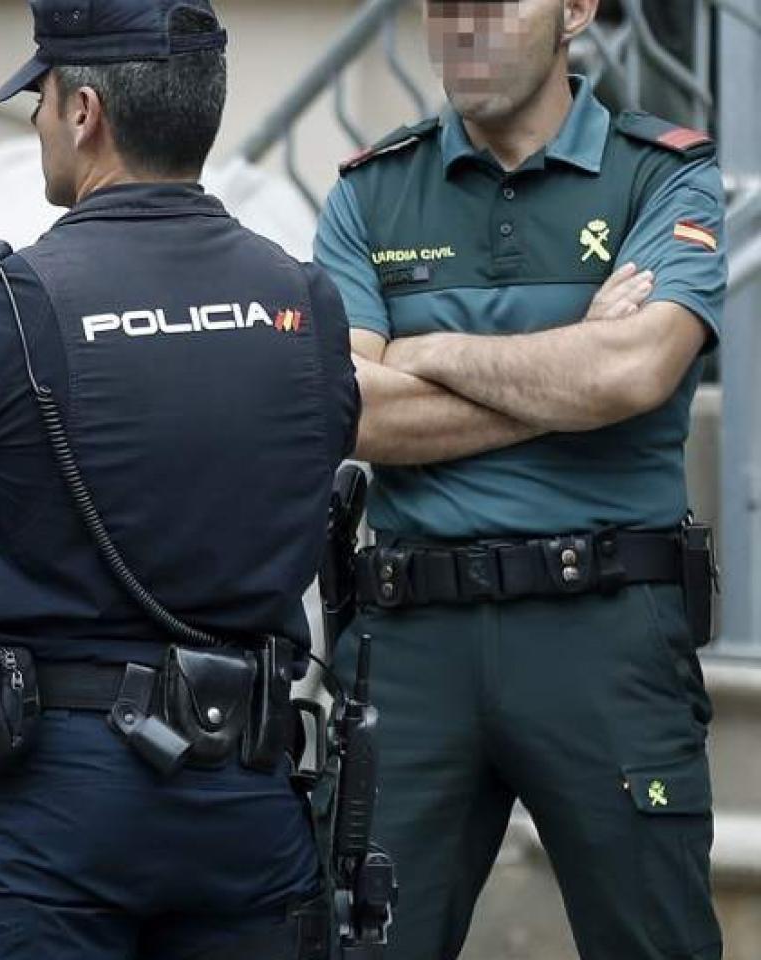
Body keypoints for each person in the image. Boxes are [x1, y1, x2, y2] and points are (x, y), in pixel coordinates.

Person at [0, 2, 361, 957]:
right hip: (251, 790)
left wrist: (28, 549)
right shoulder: (308, 304)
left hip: (59, 800)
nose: (39, 121)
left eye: (41, 98)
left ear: (85, 111)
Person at [313, 1, 727, 957]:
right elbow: (352, 410)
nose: (463, 25)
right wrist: (573, 353)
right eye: (442, 4)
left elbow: (632, 374)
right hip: (410, 646)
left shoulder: (660, 176)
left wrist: (429, 348)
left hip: (607, 634)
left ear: (576, 10)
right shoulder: (374, 191)